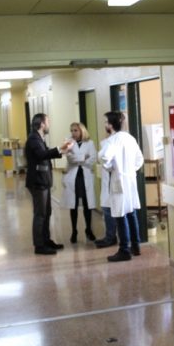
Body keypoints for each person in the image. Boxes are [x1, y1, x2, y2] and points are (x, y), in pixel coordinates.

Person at [25, 113, 74, 255]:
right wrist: (59, 148)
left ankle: (46, 240)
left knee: (47, 213)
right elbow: (41, 155)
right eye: (48, 121)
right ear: (42, 124)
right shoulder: (33, 139)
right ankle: (39, 245)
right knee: (40, 214)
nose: (49, 124)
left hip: (43, 180)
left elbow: (45, 153)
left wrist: (62, 151)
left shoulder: (39, 137)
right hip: (37, 182)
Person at [98, 111, 144, 262]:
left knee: (120, 214)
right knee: (131, 213)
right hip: (130, 181)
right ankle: (136, 246)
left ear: (111, 125)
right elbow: (139, 160)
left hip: (119, 181)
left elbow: (104, 157)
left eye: (106, 122)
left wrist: (111, 167)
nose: (105, 125)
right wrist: (129, 170)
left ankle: (124, 250)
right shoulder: (130, 138)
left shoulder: (112, 140)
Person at [61, 122, 97, 243]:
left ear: (82, 131)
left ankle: (89, 230)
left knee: (87, 205)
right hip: (74, 177)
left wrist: (80, 159)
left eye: (75, 130)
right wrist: (83, 157)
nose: (73, 133)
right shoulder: (68, 142)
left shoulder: (90, 143)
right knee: (74, 205)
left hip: (85, 176)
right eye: (71, 130)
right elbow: (70, 158)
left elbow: (93, 158)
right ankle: (74, 231)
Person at [94, 137, 118, 248]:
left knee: (111, 210)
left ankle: (111, 238)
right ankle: (110, 236)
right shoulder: (108, 142)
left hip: (113, 183)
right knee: (107, 209)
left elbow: (103, 158)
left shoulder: (112, 143)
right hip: (108, 183)